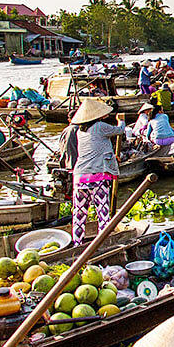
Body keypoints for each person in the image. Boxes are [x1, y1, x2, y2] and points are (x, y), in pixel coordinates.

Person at [71, 100, 125, 246]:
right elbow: (120, 131)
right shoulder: (100, 127)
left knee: (79, 213)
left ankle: (77, 243)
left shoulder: (80, 131)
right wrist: (121, 121)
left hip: (79, 177)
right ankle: (102, 243)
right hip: (97, 176)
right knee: (103, 213)